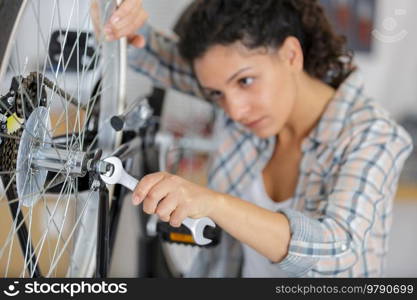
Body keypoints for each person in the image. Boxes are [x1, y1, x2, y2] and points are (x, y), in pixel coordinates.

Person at [102, 0, 413, 277]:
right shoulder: (246, 104)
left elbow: (337, 252)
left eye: (246, 81)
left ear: (291, 55)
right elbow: (151, 50)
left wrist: (213, 203)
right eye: (216, 94)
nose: (235, 110)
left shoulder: (373, 134)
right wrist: (117, 19)